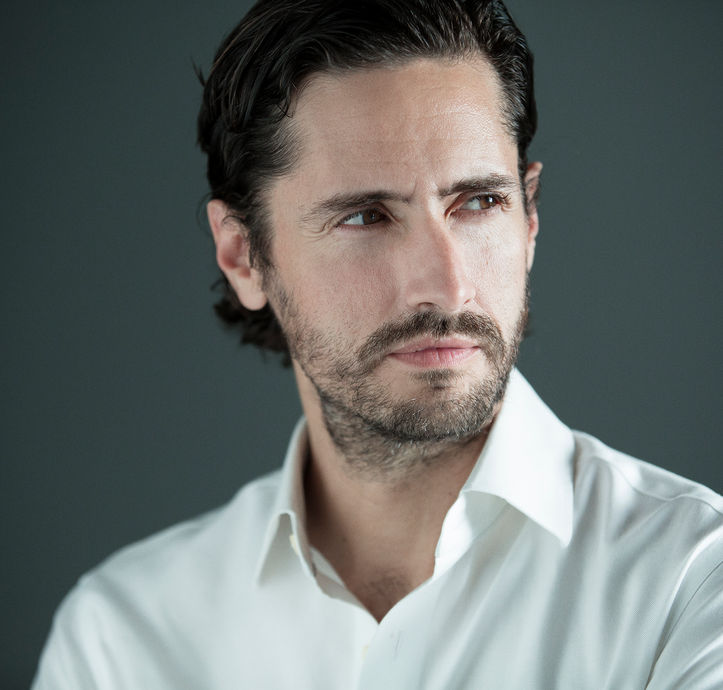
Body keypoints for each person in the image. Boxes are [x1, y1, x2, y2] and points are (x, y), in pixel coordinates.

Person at [33, 1, 723, 687]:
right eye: (366, 217)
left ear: (529, 216)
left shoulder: (690, 582)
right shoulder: (123, 640)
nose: (448, 288)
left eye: (479, 203)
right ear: (244, 255)